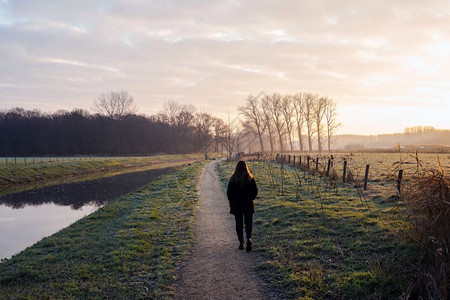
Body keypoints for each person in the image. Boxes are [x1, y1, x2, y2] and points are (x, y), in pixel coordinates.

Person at [226, 160, 258, 252]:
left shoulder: (233, 179)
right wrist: (251, 198)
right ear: (246, 167)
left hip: (237, 205)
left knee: (239, 224)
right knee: (248, 223)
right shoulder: (250, 178)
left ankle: (241, 242)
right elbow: (255, 191)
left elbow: (229, 193)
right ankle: (249, 239)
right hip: (248, 204)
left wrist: (232, 202)